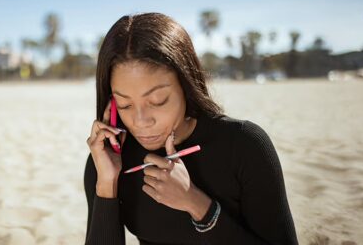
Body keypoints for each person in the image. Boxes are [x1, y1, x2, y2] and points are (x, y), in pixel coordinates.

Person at [83, 12, 297, 244]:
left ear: (186, 86)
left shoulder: (244, 145)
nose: (141, 121)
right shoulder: (108, 162)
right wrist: (107, 183)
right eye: (125, 104)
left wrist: (198, 205)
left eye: (158, 101)